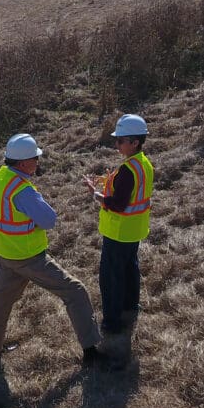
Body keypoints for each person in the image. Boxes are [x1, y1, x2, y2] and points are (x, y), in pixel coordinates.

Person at [0, 133, 108, 367]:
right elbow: (50, 220)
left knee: (0, 303)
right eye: (35, 158)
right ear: (22, 163)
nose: (38, 162)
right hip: (28, 257)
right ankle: (92, 351)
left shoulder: (1, 176)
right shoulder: (23, 190)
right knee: (76, 291)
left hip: (5, 254)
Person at [83, 114, 154, 340]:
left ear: (135, 142)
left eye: (121, 140)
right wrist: (107, 185)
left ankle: (112, 323)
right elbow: (130, 195)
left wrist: (97, 195)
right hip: (135, 230)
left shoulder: (128, 170)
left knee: (111, 277)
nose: (117, 144)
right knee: (130, 268)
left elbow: (119, 204)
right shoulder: (143, 163)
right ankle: (131, 306)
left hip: (119, 232)